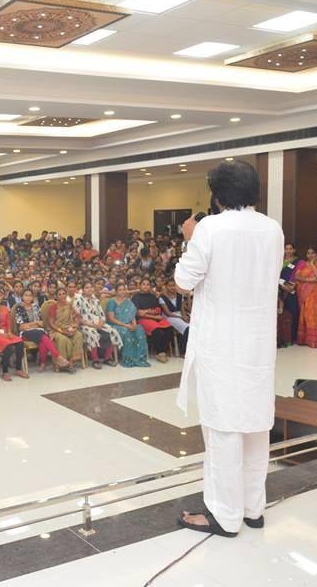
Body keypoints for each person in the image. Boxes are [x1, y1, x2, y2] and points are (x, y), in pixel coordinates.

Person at [175, 160, 284, 538]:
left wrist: (190, 237)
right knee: (256, 428)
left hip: (222, 344)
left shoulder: (210, 228)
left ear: (217, 195)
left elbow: (183, 280)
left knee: (223, 431)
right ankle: (253, 508)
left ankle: (223, 515)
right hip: (258, 344)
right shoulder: (272, 228)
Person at [13, 289, 71, 372]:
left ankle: (42, 364)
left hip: (38, 332)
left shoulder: (36, 307)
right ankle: (58, 357)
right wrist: (35, 323)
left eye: (30, 295)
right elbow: (21, 327)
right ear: (22, 297)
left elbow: (42, 323)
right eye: (26, 295)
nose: (28, 298)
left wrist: (32, 324)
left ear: (33, 297)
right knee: (41, 334)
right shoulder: (19, 308)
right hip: (25, 334)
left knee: (42, 340)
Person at [73, 281, 121, 368]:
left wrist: (101, 323)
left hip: (98, 323)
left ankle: (107, 358)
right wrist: (92, 325)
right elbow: (78, 318)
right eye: (87, 287)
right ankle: (95, 359)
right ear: (83, 290)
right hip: (85, 325)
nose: (89, 289)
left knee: (112, 331)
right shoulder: (78, 300)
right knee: (92, 333)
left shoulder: (96, 300)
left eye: (91, 287)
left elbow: (102, 316)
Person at [106, 283, 150, 367]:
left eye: (124, 290)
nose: (122, 292)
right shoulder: (111, 302)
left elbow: (132, 316)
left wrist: (134, 324)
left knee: (139, 329)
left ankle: (139, 358)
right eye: (120, 290)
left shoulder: (128, 301)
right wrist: (126, 325)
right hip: (116, 325)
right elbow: (111, 319)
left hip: (128, 324)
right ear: (116, 291)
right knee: (126, 331)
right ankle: (128, 358)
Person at [132, 278, 174, 363]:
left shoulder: (153, 296)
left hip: (155, 317)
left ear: (150, 286)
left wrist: (146, 311)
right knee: (157, 331)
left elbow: (157, 310)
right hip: (143, 320)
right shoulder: (136, 297)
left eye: (148, 284)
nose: (146, 286)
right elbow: (138, 313)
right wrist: (150, 313)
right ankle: (160, 352)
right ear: (140, 286)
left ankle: (163, 350)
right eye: (143, 284)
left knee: (169, 329)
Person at [295, 247, 317, 348]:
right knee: (305, 315)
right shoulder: (302, 265)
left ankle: (314, 339)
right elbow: (297, 276)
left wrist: (313, 265)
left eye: (313, 253)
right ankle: (304, 338)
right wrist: (309, 280)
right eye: (308, 253)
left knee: (315, 316)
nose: (311, 255)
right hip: (305, 294)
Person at [45, 286, 85, 367]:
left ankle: (73, 358)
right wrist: (61, 331)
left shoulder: (69, 306)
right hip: (56, 329)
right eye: (59, 294)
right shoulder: (53, 307)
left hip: (68, 327)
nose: (62, 296)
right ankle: (63, 363)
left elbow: (77, 317)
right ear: (56, 296)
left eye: (64, 294)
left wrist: (75, 327)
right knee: (63, 339)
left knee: (78, 335)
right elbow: (51, 324)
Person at [158, 279, 190, 355]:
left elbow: (182, 310)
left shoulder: (179, 295)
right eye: (170, 286)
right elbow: (168, 313)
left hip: (179, 314)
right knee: (187, 328)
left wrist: (185, 316)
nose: (172, 287)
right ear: (166, 286)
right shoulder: (162, 297)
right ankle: (183, 351)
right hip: (169, 317)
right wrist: (181, 318)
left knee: (193, 325)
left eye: (173, 285)